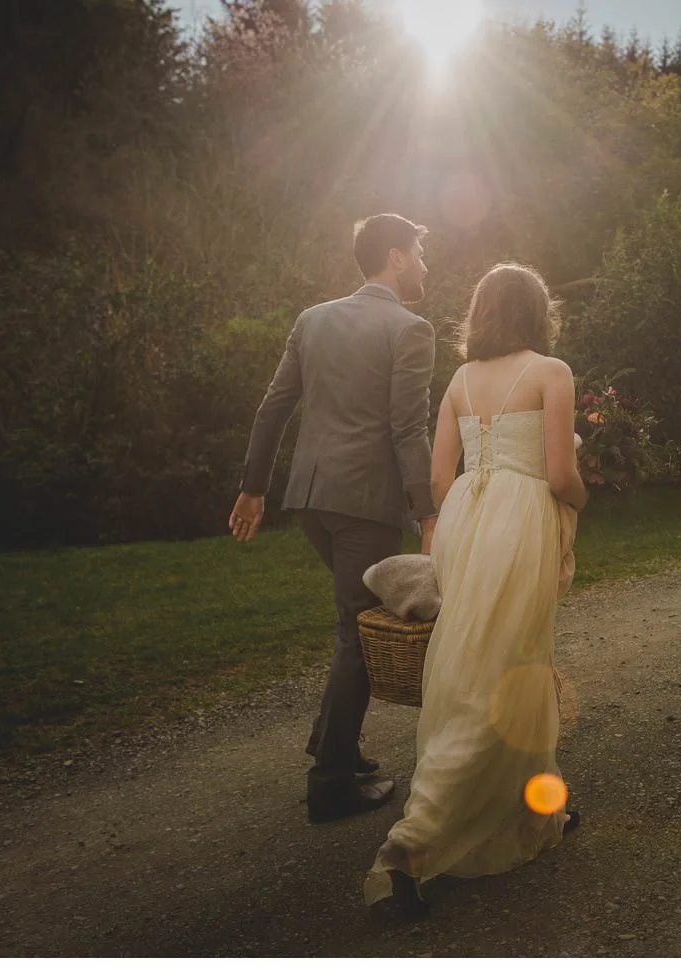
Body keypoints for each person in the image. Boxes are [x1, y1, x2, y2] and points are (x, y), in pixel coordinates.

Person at [363, 262, 588, 916]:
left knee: (497, 664)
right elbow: (558, 472)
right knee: (505, 668)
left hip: (465, 517)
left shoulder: (459, 381)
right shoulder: (553, 373)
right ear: (537, 312)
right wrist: (582, 497)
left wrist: (470, 509)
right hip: (519, 523)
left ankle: (536, 815)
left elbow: (439, 480)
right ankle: (405, 849)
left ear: (482, 312)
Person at [229, 213, 438, 824]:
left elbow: (272, 410)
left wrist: (253, 489)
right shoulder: (412, 329)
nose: (425, 265)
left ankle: (331, 741)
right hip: (364, 505)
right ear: (396, 257)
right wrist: (427, 513)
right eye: (420, 254)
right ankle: (331, 785)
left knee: (352, 622)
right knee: (359, 634)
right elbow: (407, 430)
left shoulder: (312, 320)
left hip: (310, 501)